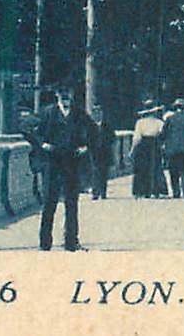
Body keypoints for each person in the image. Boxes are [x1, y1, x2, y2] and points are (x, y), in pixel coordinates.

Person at [27, 85, 91, 251]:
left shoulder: (79, 113)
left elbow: (95, 131)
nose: (65, 97)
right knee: (49, 202)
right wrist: (41, 143)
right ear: (56, 96)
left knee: (71, 203)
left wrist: (86, 146)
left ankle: (71, 241)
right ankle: (45, 242)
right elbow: (26, 127)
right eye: (62, 95)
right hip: (51, 163)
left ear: (72, 95)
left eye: (68, 94)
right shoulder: (47, 112)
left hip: (72, 162)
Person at [160, 99, 184, 199]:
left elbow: (163, 134)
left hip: (172, 149)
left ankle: (176, 192)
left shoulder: (170, 119)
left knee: (173, 171)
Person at [130, 102, 165, 198]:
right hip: (154, 145)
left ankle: (142, 191)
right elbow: (163, 135)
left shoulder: (140, 122)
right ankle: (155, 190)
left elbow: (137, 137)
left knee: (142, 168)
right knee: (155, 167)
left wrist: (132, 150)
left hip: (143, 145)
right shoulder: (159, 122)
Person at [87, 104, 116, 200]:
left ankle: (103, 192)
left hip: (105, 152)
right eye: (95, 113)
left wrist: (108, 144)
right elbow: (86, 138)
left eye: (99, 113)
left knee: (104, 172)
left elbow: (113, 137)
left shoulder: (107, 125)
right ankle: (95, 192)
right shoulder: (89, 126)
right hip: (94, 152)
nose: (97, 115)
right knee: (95, 171)